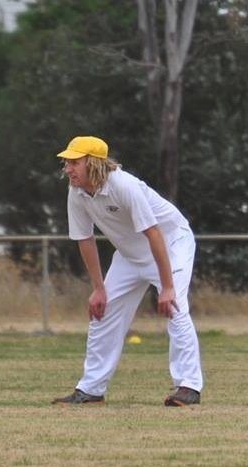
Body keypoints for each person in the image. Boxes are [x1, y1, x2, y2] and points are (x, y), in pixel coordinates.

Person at [51, 136, 204, 407]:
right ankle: (91, 390)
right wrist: (99, 289)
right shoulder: (76, 192)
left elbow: (154, 233)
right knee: (103, 313)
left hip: (170, 245)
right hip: (130, 255)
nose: (68, 169)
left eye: (74, 162)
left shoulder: (124, 186)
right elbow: (84, 239)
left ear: (93, 163)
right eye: (67, 163)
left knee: (176, 308)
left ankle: (188, 387)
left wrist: (167, 288)